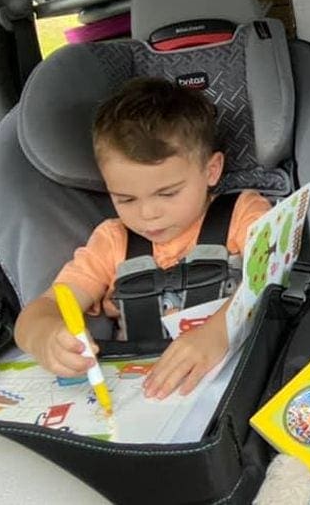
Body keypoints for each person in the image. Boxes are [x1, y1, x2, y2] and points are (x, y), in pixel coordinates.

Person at [15, 77, 271, 399]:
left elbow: (274, 271)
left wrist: (219, 331)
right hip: (143, 395)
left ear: (211, 170)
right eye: (126, 199)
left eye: (167, 193)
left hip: (240, 383)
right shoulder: (112, 243)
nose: (148, 214)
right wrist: (46, 335)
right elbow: (42, 309)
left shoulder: (242, 213)